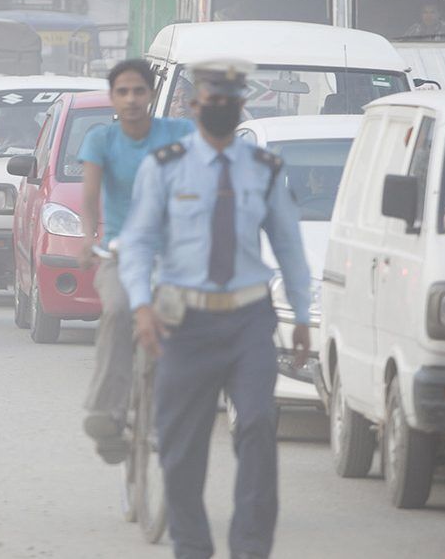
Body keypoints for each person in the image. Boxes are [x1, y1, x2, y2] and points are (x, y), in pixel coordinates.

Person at [119, 59, 311, 559]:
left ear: (240, 106)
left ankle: (250, 548)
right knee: (182, 446)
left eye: (231, 102)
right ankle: (193, 547)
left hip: (249, 318)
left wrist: (304, 316)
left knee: (256, 425)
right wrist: (141, 306)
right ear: (194, 106)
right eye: (212, 101)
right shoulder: (165, 167)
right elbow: (138, 243)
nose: (221, 109)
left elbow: (289, 246)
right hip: (185, 323)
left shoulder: (264, 170)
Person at [76, 59, 196, 465]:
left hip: (175, 256)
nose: (131, 99)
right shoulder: (101, 140)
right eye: (122, 91)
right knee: (117, 310)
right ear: (113, 98)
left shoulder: (178, 133)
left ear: (151, 95)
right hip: (120, 252)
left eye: (139, 91)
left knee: (179, 323)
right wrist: (88, 237)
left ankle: (167, 414)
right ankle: (107, 412)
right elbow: (90, 198)